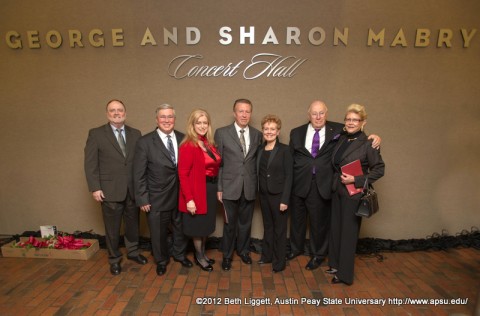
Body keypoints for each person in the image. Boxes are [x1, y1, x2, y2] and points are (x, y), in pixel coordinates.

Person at [287, 100, 381, 271]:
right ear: (309, 115)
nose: (318, 116)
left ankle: (318, 255)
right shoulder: (296, 132)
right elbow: (290, 159)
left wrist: (374, 137)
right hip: (299, 182)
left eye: (321, 113)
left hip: (324, 184)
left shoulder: (339, 129)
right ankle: (295, 248)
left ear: (327, 113)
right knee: (297, 220)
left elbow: (358, 134)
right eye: (314, 113)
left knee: (319, 223)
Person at [84, 99, 147, 276]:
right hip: (109, 190)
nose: (117, 113)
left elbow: (139, 163)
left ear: (125, 113)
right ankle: (114, 259)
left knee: (133, 225)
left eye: (120, 110)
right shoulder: (96, 134)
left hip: (132, 190)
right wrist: (95, 187)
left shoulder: (136, 133)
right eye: (113, 110)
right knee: (112, 228)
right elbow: (90, 164)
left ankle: (133, 252)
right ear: (107, 114)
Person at [328, 104, 385, 285]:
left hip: (353, 193)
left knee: (348, 233)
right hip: (337, 190)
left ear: (363, 122)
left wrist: (356, 179)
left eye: (355, 120)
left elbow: (379, 169)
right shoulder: (341, 137)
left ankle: (344, 275)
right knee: (336, 229)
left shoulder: (368, 143)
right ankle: (335, 264)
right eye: (348, 119)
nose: (351, 123)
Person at [133, 104, 192, 276]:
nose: (167, 120)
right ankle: (161, 260)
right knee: (158, 232)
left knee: (181, 227)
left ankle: (180, 255)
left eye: (170, 117)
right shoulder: (145, 142)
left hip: (181, 195)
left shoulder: (184, 138)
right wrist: (142, 198)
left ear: (174, 119)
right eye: (163, 117)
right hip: (157, 196)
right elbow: (139, 173)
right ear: (156, 119)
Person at [214, 98, 263, 271]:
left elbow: (257, 162)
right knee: (229, 225)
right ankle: (227, 256)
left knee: (245, 223)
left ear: (251, 113)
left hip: (249, 187)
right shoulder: (221, 133)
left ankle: (243, 252)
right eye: (240, 111)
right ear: (234, 113)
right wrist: (219, 187)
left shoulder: (258, 134)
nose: (244, 114)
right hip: (229, 187)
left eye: (247, 111)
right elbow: (218, 163)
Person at [178, 109, 222, 272]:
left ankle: (202, 254)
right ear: (192, 124)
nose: (202, 126)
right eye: (199, 122)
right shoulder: (188, 145)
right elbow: (182, 174)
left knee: (204, 226)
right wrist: (189, 199)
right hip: (196, 191)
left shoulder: (208, 143)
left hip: (209, 189)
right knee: (197, 228)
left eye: (205, 122)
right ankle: (199, 256)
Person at [256, 115, 293, 273]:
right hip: (263, 195)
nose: (269, 132)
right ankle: (267, 256)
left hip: (279, 196)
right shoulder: (259, 150)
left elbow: (289, 176)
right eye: (266, 129)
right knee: (268, 227)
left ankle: (279, 262)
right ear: (262, 131)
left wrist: (285, 199)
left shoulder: (285, 150)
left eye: (272, 129)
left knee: (279, 230)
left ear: (278, 132)